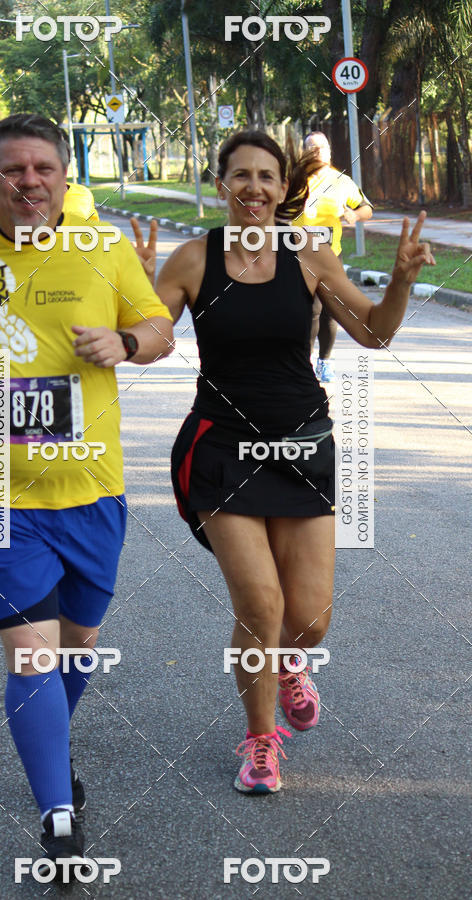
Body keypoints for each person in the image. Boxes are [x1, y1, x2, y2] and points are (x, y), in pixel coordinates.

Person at [0, 113, 173, 878]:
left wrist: (127, 343)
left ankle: (46, 737)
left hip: (92, 486)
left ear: (63, 175)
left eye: (43, 168)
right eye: (13, 170)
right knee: (29, 659)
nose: (29, 182)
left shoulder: (104, 247)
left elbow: (158, 327)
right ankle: (58, 816)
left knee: (73, 651)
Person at [154, 130, 434, 795]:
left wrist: (400, 279)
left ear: (284, 189)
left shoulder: (309, 251)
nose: (253, 188)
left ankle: (287, 666)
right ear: (220, 184)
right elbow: (151, 338)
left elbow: (374, 332)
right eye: (240, 175)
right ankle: (258, 743)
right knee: (259, 602)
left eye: (267, 177)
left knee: (307, 619)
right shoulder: (193, 259)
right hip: (222, 448)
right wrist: (127, 307)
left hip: (304, 446)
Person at [293, 132, 373, 382]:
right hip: (298, 256)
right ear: (303, 151)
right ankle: (302, 364)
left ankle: (324, 362)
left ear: (330, 151)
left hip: (330, 256)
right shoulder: (293, 180)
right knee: (309, 311)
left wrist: (355, 216)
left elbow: (366, 208)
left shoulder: (342, 182)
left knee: (329, 310)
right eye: (311, 147)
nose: (317, 152)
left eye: (322, 147)